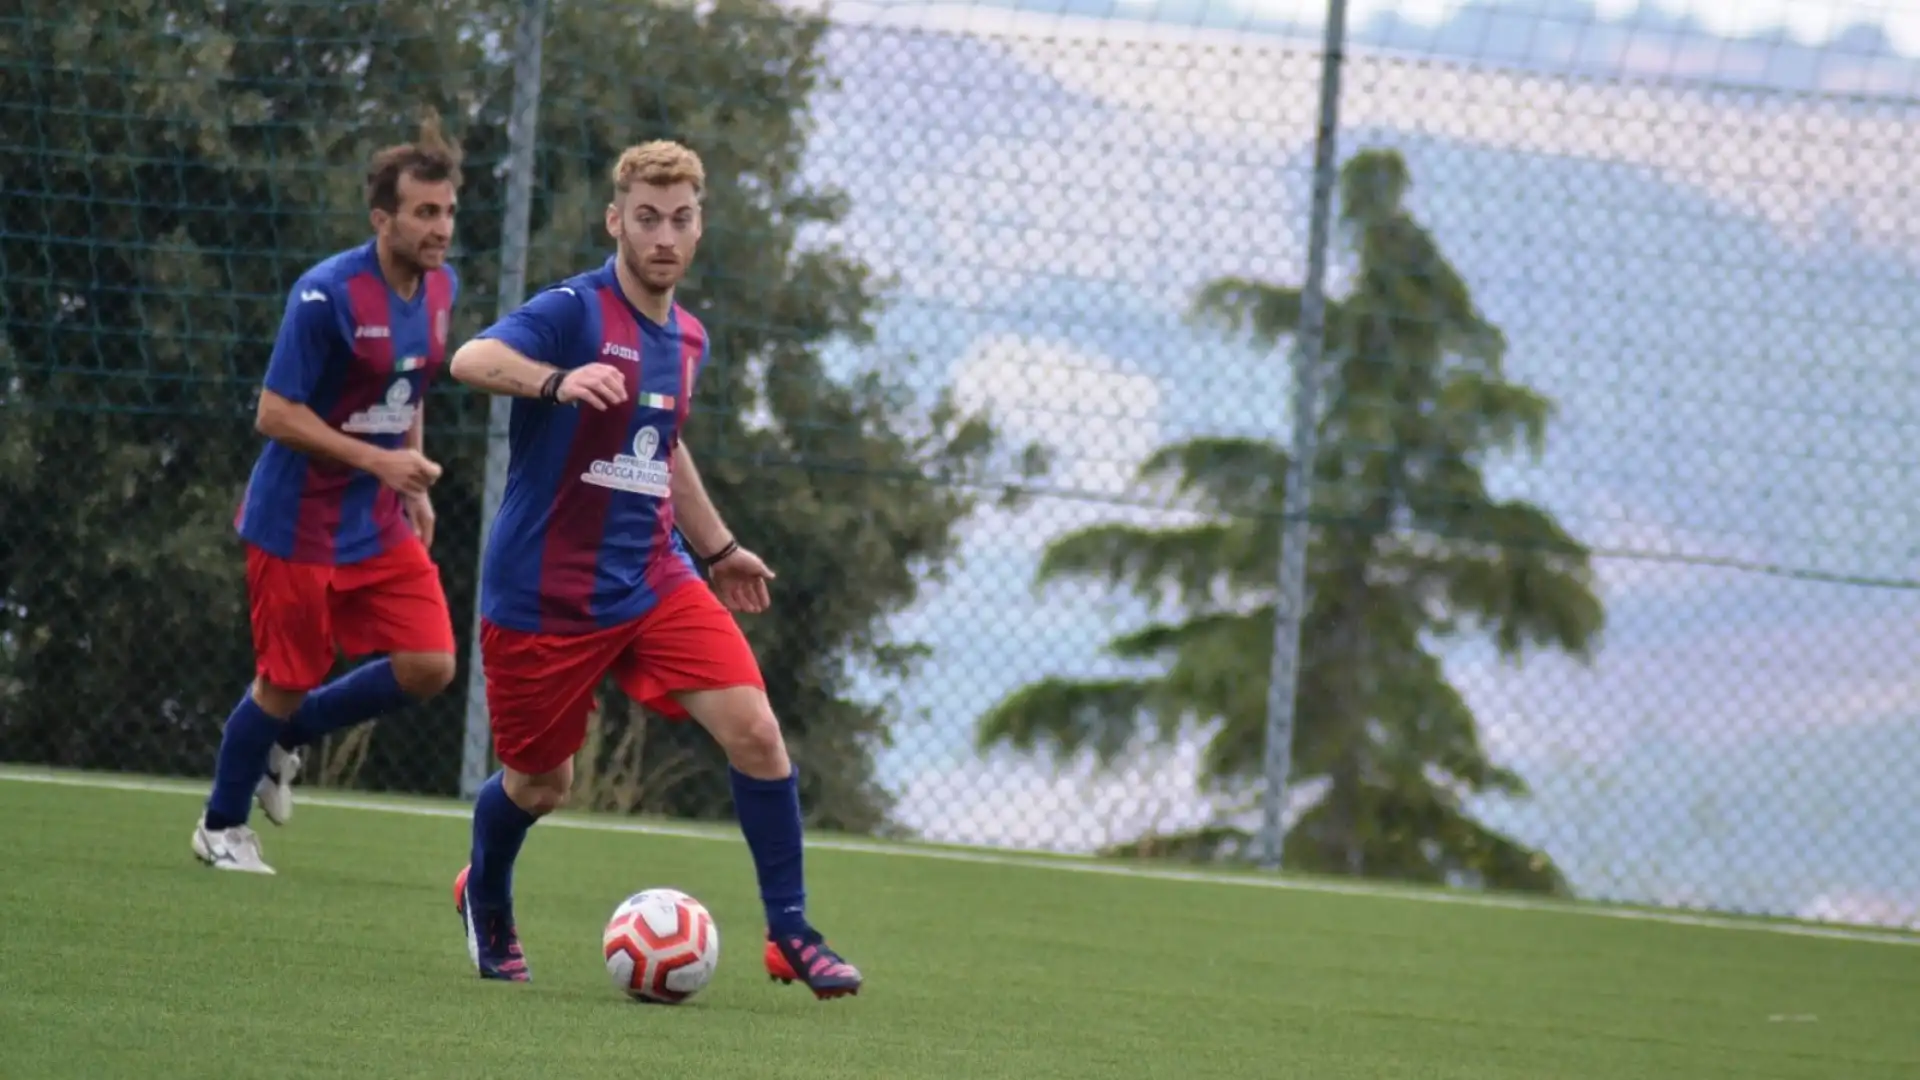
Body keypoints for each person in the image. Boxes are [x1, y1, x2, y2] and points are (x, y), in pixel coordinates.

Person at [443, 140, 862, 1000]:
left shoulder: (689, 339)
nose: (663, 236)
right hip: (544, 593)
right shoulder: (572, 309)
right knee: (540, 782)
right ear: (616, 221)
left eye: (680, 219)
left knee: (757, 732)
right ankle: (484, 890)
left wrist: (719, 549)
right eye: (647, 218)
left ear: (699, 226)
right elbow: (469, 360)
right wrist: (556, 380)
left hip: (655, 575)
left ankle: (789, 932)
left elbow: (662, 450)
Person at [193, 116, 465, 875]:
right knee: (284, 677)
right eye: (424, 212)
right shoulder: (326, 295)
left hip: (375, 520)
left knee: (430, 664)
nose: (440, 227)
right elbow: (274, 413)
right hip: (296, 523)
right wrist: (378, 465)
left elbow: (409, 383)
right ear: (383, 219)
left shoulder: (442, 285)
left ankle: (290, 736)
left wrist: (409, 474)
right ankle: (220, 826)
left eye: (447, 211)